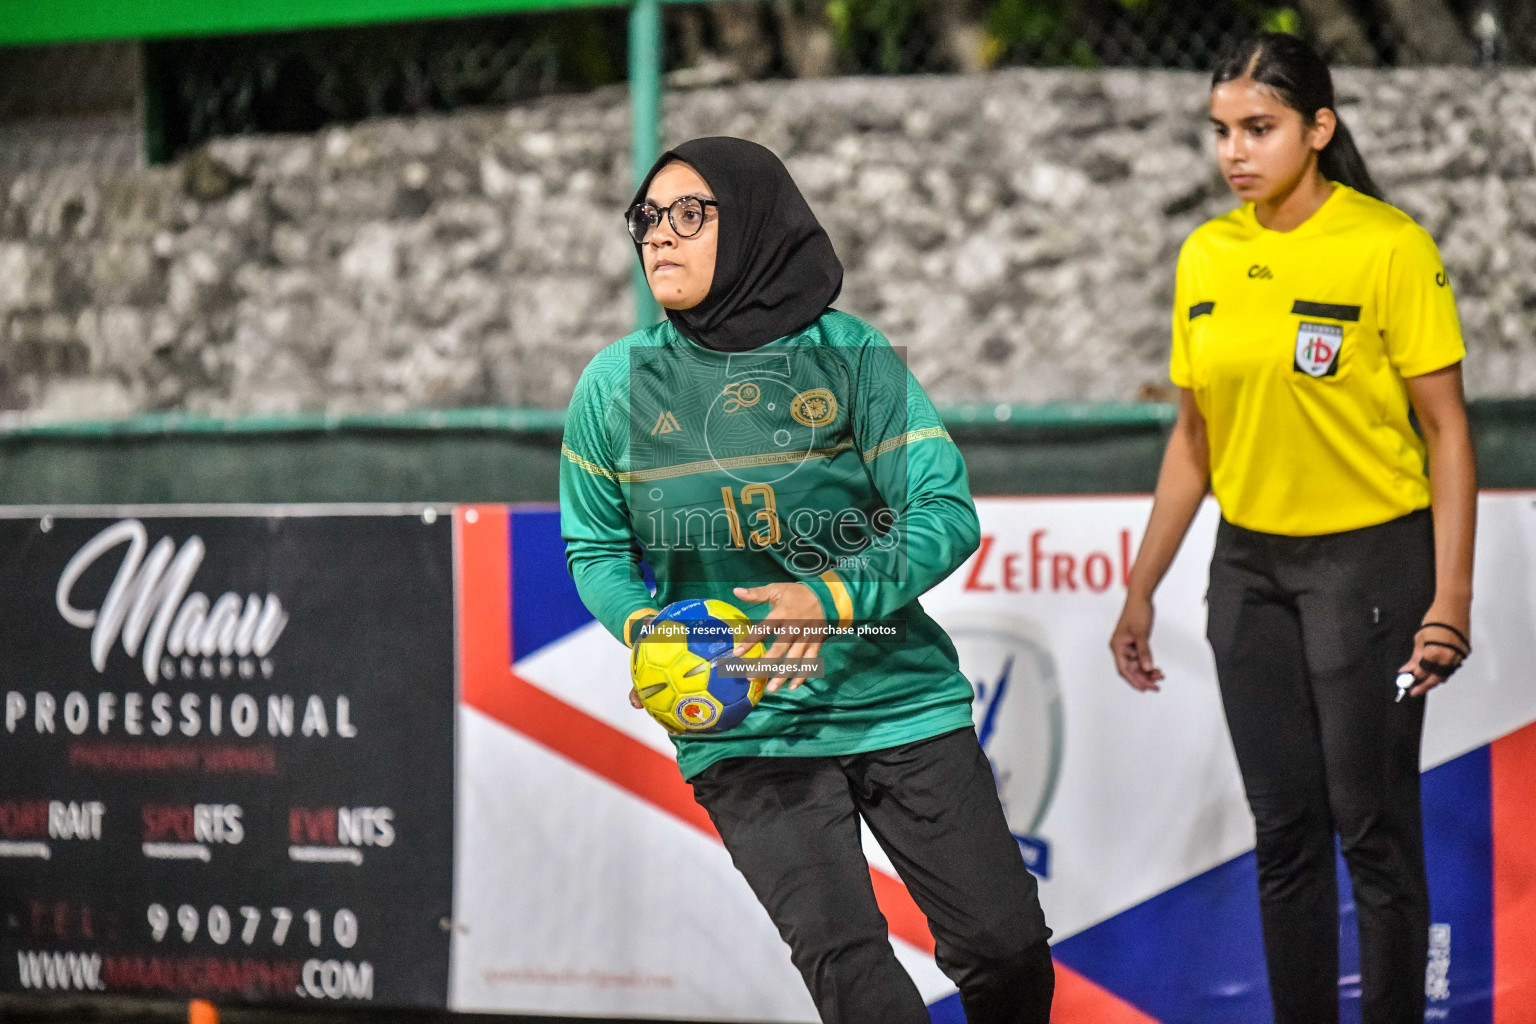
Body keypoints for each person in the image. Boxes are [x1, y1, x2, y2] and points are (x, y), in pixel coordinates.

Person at [560, 136, 1053, 1024]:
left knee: (1007, 947)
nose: (658, 238)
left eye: (688, 215)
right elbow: (595, 551)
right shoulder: (612, 386)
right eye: (646, 219)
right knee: (857, 977)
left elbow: (943, 510)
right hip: (745, 729)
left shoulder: (851, 356)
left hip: (895, 695)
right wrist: (650, 632)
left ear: (752, 222)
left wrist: (828, 599)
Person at [1109, 33, 1476, 1024]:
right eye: (1222, 130)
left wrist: (1449, 598)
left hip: (1373, 564)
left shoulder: (1388, 245)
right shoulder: (1208, 253)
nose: (1235, 151)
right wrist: (1141, 586)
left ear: (1319, 129)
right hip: (1250, 571)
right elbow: (1195, 438)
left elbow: (1446, 429)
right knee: (1286, 834)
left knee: (1374, 830)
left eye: (1259, 129)